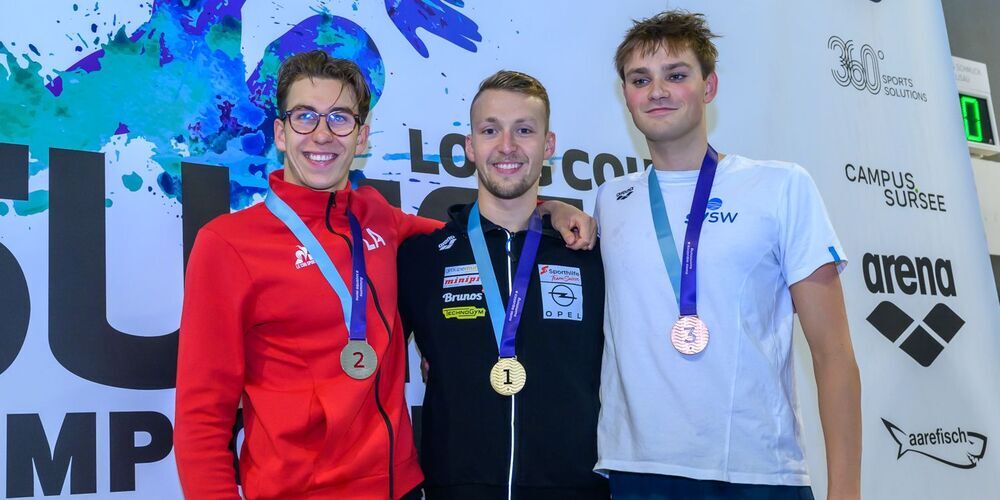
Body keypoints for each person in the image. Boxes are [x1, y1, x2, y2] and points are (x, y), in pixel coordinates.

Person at [174, 51, 594, 499]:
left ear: (362, 137)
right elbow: (202, 414)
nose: (322, 134)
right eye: (304, 117)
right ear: (280, 132)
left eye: (339, 118)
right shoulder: (229, 243)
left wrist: (548, 209)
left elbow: (486, 231)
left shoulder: (380, 220)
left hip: (400, 487)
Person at [594, 10, 862, 500]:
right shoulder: (611, 200)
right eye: (640, 79)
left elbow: (834, 354)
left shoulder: (781, 186)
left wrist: (845, 490)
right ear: (626, 96)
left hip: (757, 474)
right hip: (638, 471)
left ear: (709, 85)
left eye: (676, 75)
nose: (657, 91)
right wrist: (547, 208)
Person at [397, 70, 608, 500]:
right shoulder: (423, 258)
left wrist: (554, 209)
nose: (507, 146)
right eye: (490, 130)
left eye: (524, 130)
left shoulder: (591, 255)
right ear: (470, 147)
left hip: (573, 488)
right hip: (456, 488)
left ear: (548, 146)